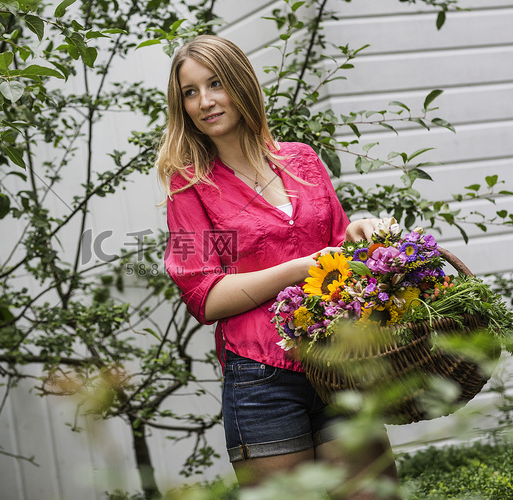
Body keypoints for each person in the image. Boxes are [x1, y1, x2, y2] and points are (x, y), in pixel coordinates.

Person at [157, 35, 399, 496]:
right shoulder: (187, 185)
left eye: (215, 84)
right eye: (190, 92)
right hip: (260, 380)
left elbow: (340, 259)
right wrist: (301, 268)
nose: (204, 101)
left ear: (242, 84)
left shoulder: (303, 161)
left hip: (336, 363)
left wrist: (360, 234)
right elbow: (202, 296)